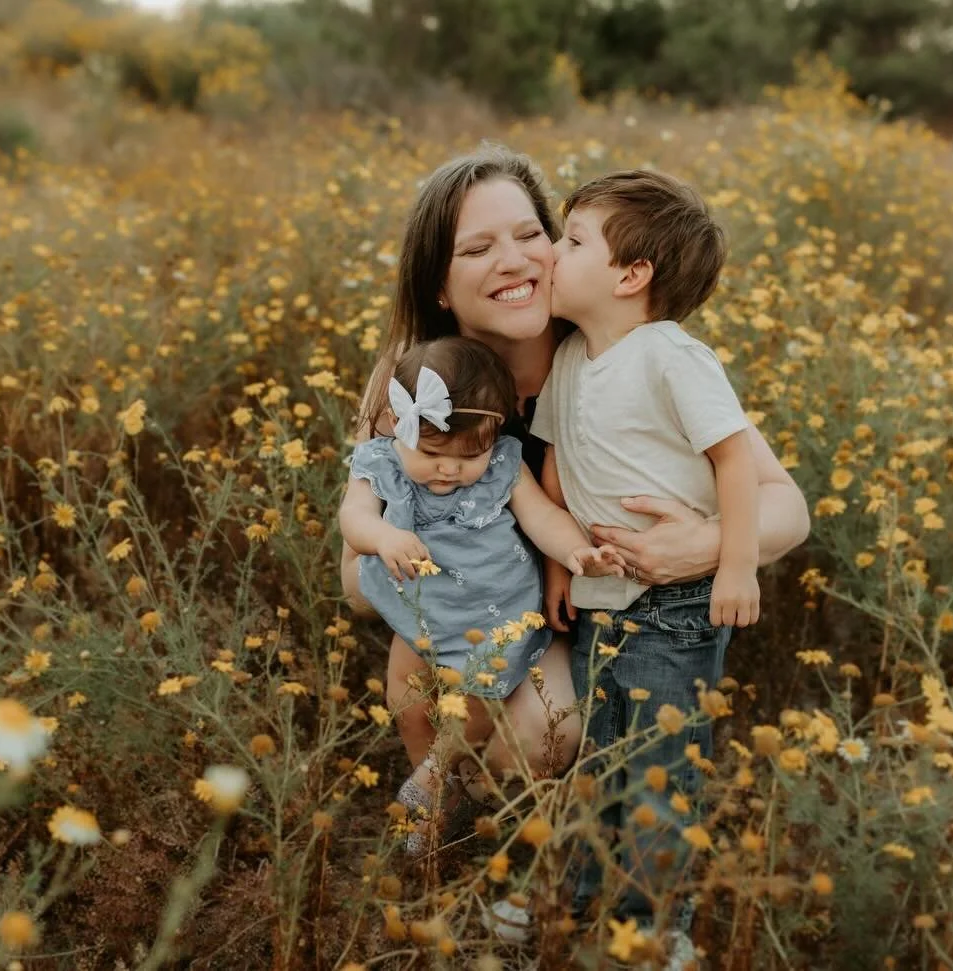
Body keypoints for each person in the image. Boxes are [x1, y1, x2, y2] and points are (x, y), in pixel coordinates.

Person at [337, 144, 810, 851]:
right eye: (478, 249)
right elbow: (354, 583)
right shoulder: (415, 385)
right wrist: (441, 564)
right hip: (462, 619)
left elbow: (786, 505)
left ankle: (510, 823)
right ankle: (443, 812)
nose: (516, 260)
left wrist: (706, 544)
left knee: (543, 730)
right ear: (439, 285)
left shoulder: (613, 347)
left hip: (593, 615)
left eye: (531, 234)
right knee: (426, 680)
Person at [531, 168, 759, 956]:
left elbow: (734, 459)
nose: (552, 252)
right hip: (600, 597)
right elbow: (556, 470)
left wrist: (737, 564)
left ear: (631, 276)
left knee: (661, 774)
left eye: (572, 240)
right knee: (601, 765)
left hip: (680, 605)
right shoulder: (571, 358)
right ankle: (582, 909)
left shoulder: (670, 355)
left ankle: (654, 932)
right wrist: (559, 567)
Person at [339, 337, 622, 852]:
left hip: (496, 619)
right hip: (419, 613)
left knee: (474, 707)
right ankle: (435, 787)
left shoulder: (503, 466)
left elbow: (542, 517)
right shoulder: (381, 463)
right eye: (432, 454)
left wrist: (576, 552)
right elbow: (353, 518)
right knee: (407, 702)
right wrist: (381, 536)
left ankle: (433, 780)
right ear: (398, 424)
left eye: (470, 454)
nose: (450, 469)